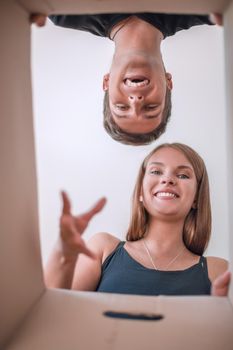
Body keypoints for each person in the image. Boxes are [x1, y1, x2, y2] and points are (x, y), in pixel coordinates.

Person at [45, 142, 230, 296]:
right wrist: (64, 253)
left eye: (182, 175)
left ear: (197, 198)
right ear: (141, 192)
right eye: (156, 171)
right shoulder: (103, 249)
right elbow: (52, 315)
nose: (167, 179)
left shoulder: (218, 271)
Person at [31, 13, 218, 145]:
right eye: (150, 108)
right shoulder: (205, 10)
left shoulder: (65, 12)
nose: (136, 101)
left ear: (106, 81)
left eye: (121, 107)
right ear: (168, 82)